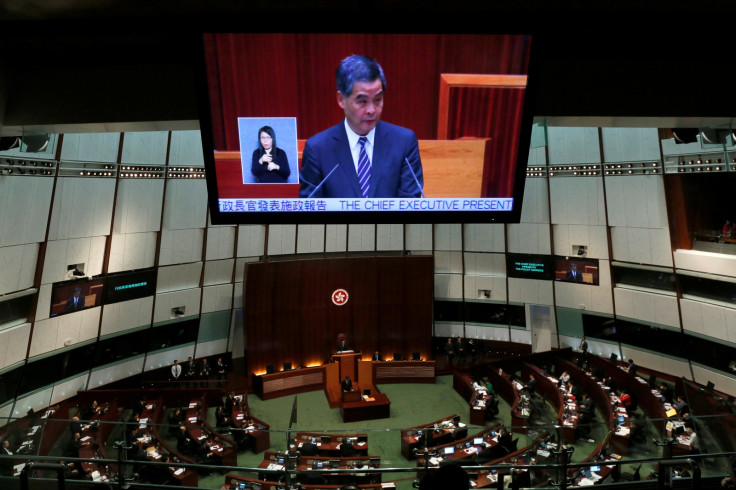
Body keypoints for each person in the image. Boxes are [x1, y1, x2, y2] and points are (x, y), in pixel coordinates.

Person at [299, 54, 424, 199]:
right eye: (362, 101)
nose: (372, 110)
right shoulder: (318, 149)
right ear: (341, 100)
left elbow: (409, 204)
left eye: (378, 100)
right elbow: (310, 209)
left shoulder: (404, 143)